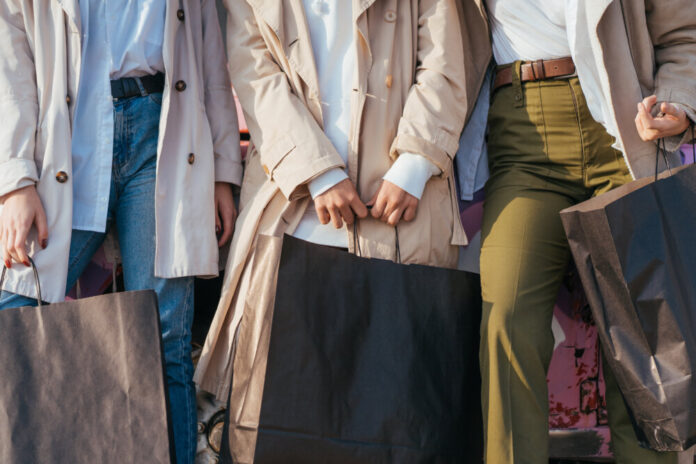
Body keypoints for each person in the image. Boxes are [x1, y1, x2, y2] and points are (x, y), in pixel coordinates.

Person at [193, 1, 489, 462]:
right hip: (293, 202)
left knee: (399, 413)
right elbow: (255, 73)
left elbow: (446, 63)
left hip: (399, 206)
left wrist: (414, 165)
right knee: (281, 410)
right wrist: (319, 173)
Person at [0, 2, 242, 463]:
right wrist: (15, 180)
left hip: (166, 128)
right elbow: (8, 56)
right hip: (67, 135)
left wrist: (222, 171)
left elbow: (212, 52)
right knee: (14, 309)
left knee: (163, 336)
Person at [459, 1, 696, 462]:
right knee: (506, 317)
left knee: (640, 332)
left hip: (625, 125)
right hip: (523, 135)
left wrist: (680, 103)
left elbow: (685, 33)